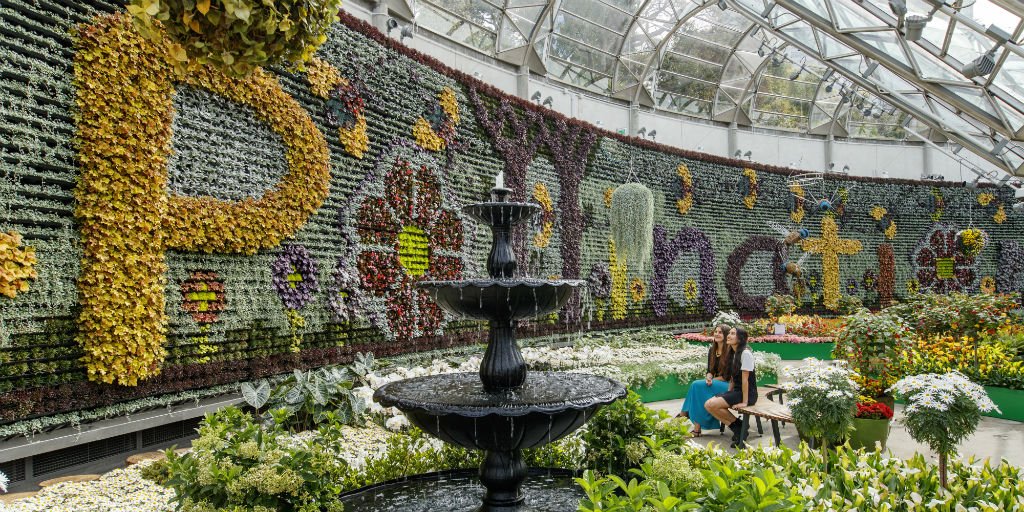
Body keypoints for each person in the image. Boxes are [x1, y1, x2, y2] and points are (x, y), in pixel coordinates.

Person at [704, 326, 757, 448]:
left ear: (740, 338)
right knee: (709, 405)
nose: (729, 335)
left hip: (747, 393)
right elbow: (733, 378)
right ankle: (739, 427)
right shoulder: (732, 353)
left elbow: (745, 380)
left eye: (733, 334)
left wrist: (745, 402)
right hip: (736, 391)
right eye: (730, 333)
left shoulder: (746, 353)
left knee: (711, 404)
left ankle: (740, 429)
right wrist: (727, 394)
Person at [676, 325, 732, 436]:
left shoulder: (730, 351)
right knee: (699, 389)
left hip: (728, 385)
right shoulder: (712, 350)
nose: (716, 334)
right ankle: (696, 428)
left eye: (720, 332)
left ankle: (684, 414)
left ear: (726, 335)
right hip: (715, 382)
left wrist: (711, 380)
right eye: (715, 331)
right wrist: (709, 377)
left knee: (697, 385)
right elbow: (709, 370)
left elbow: (727, 376)